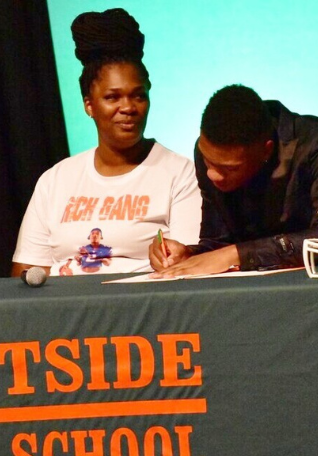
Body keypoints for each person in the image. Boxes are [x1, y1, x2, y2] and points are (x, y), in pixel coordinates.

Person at [11, 8, 201, 277]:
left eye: (138, 96)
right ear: (89, 105)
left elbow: (186, 264)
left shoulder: (179, 173)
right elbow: (27, 270)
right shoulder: (55, 180)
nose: (128, 107)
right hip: (62, 310)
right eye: (113, 97)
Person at [149, 84, 318, 276]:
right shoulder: (211, 152)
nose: (213, 174)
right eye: (207, 161)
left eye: (229, 168)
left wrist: (238, 254)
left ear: (266, 150)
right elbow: (218, 242)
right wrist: (189, 254)